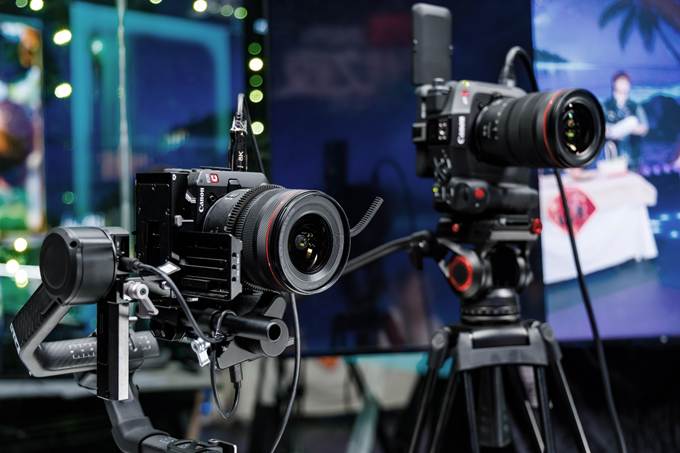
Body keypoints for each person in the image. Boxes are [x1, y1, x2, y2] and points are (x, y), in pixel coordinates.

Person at [603, 71, 649, 169]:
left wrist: (626, 128)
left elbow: (644, 129)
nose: (624, 85)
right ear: (614, 84)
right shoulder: (606, 106)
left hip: (632, 157)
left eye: (626, 82)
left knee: (632, 121)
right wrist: (613, 130)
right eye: (621, 82)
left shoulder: (635, 106)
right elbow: (601, 128)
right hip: (612, 156)